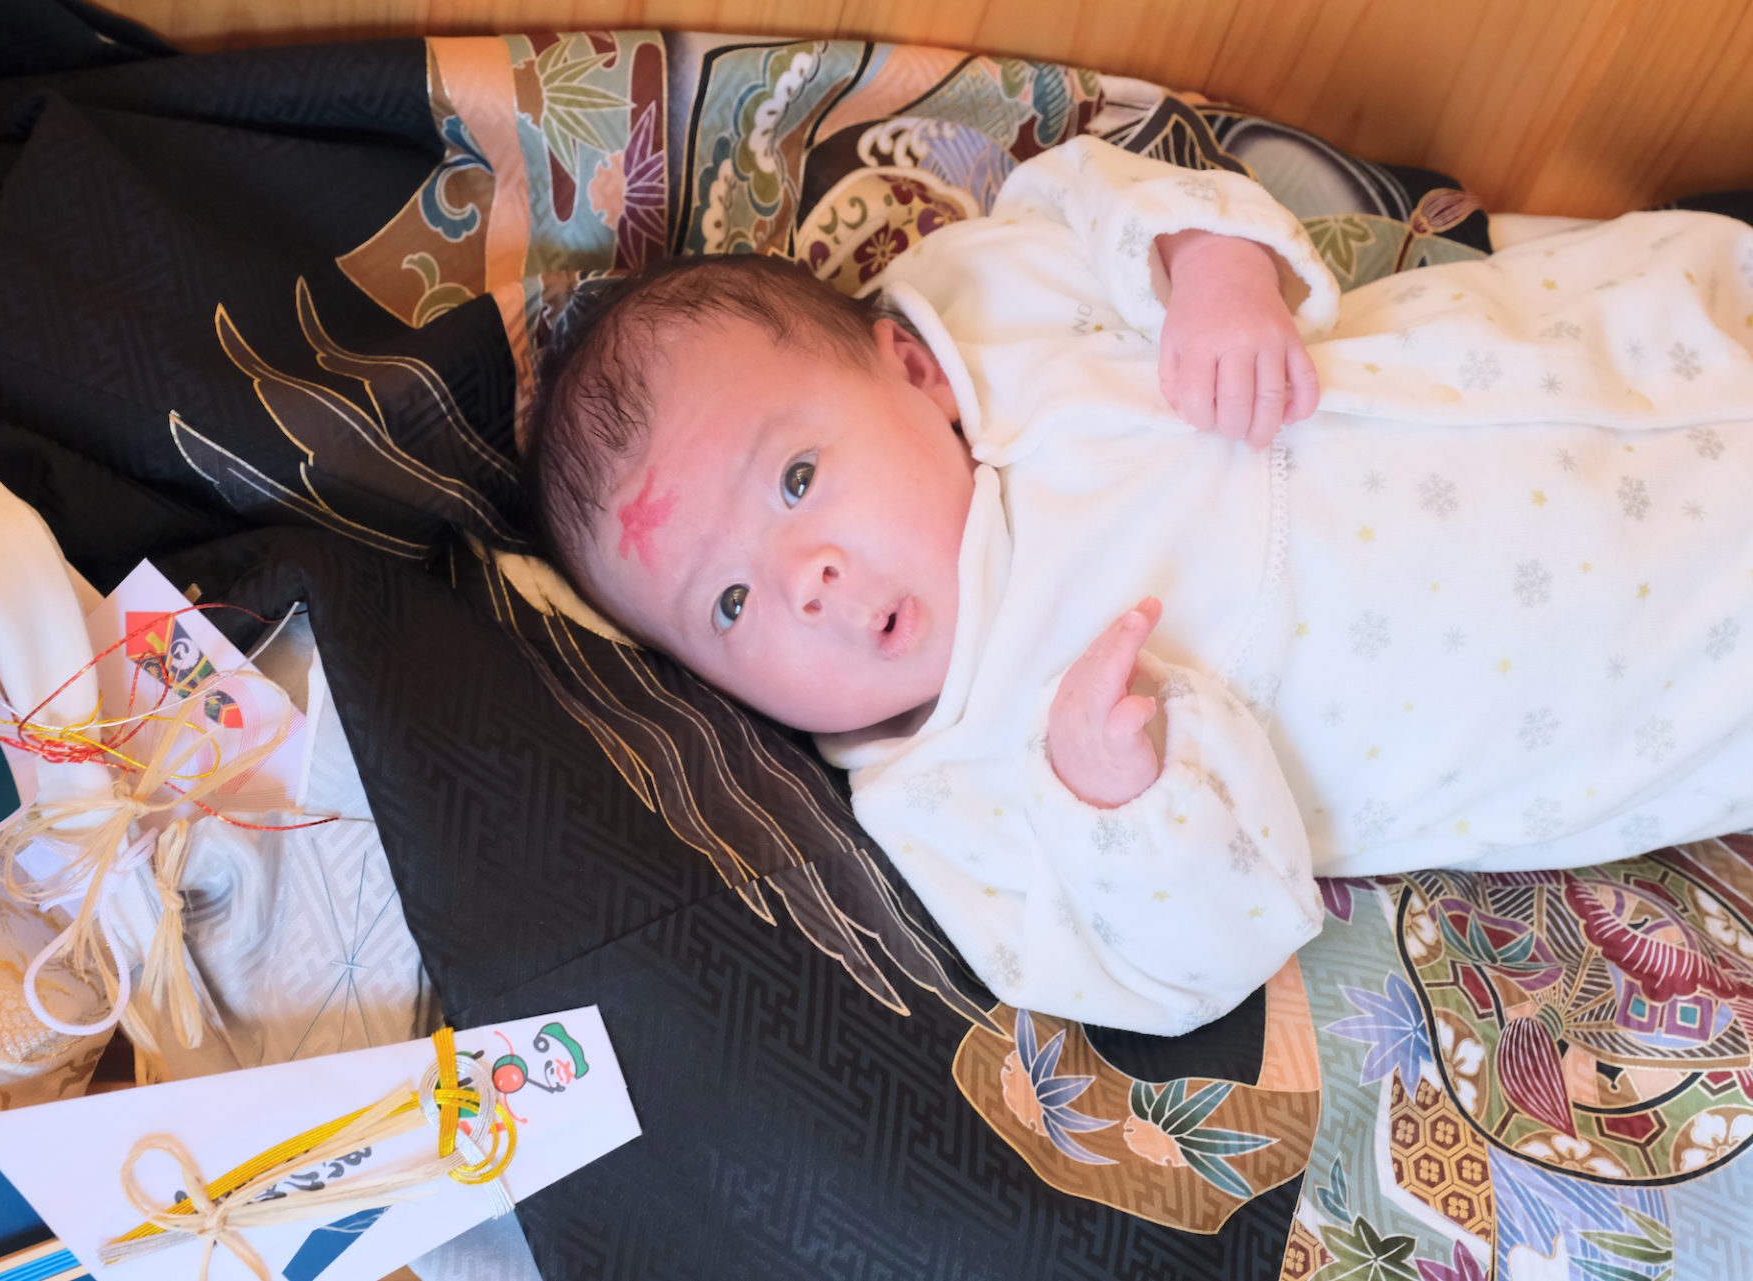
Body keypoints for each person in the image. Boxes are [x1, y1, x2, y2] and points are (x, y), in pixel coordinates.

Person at [524, 135, 1753, 1034]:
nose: (805, 579)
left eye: (797, 477)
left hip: (1593, 346)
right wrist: (1116, 804)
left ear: (909, 371)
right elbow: (1168, 973)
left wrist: (1210, 267)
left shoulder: (991, 312)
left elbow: (1098, 192)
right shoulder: (950, 796)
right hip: (1647, 668)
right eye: (727, 607)